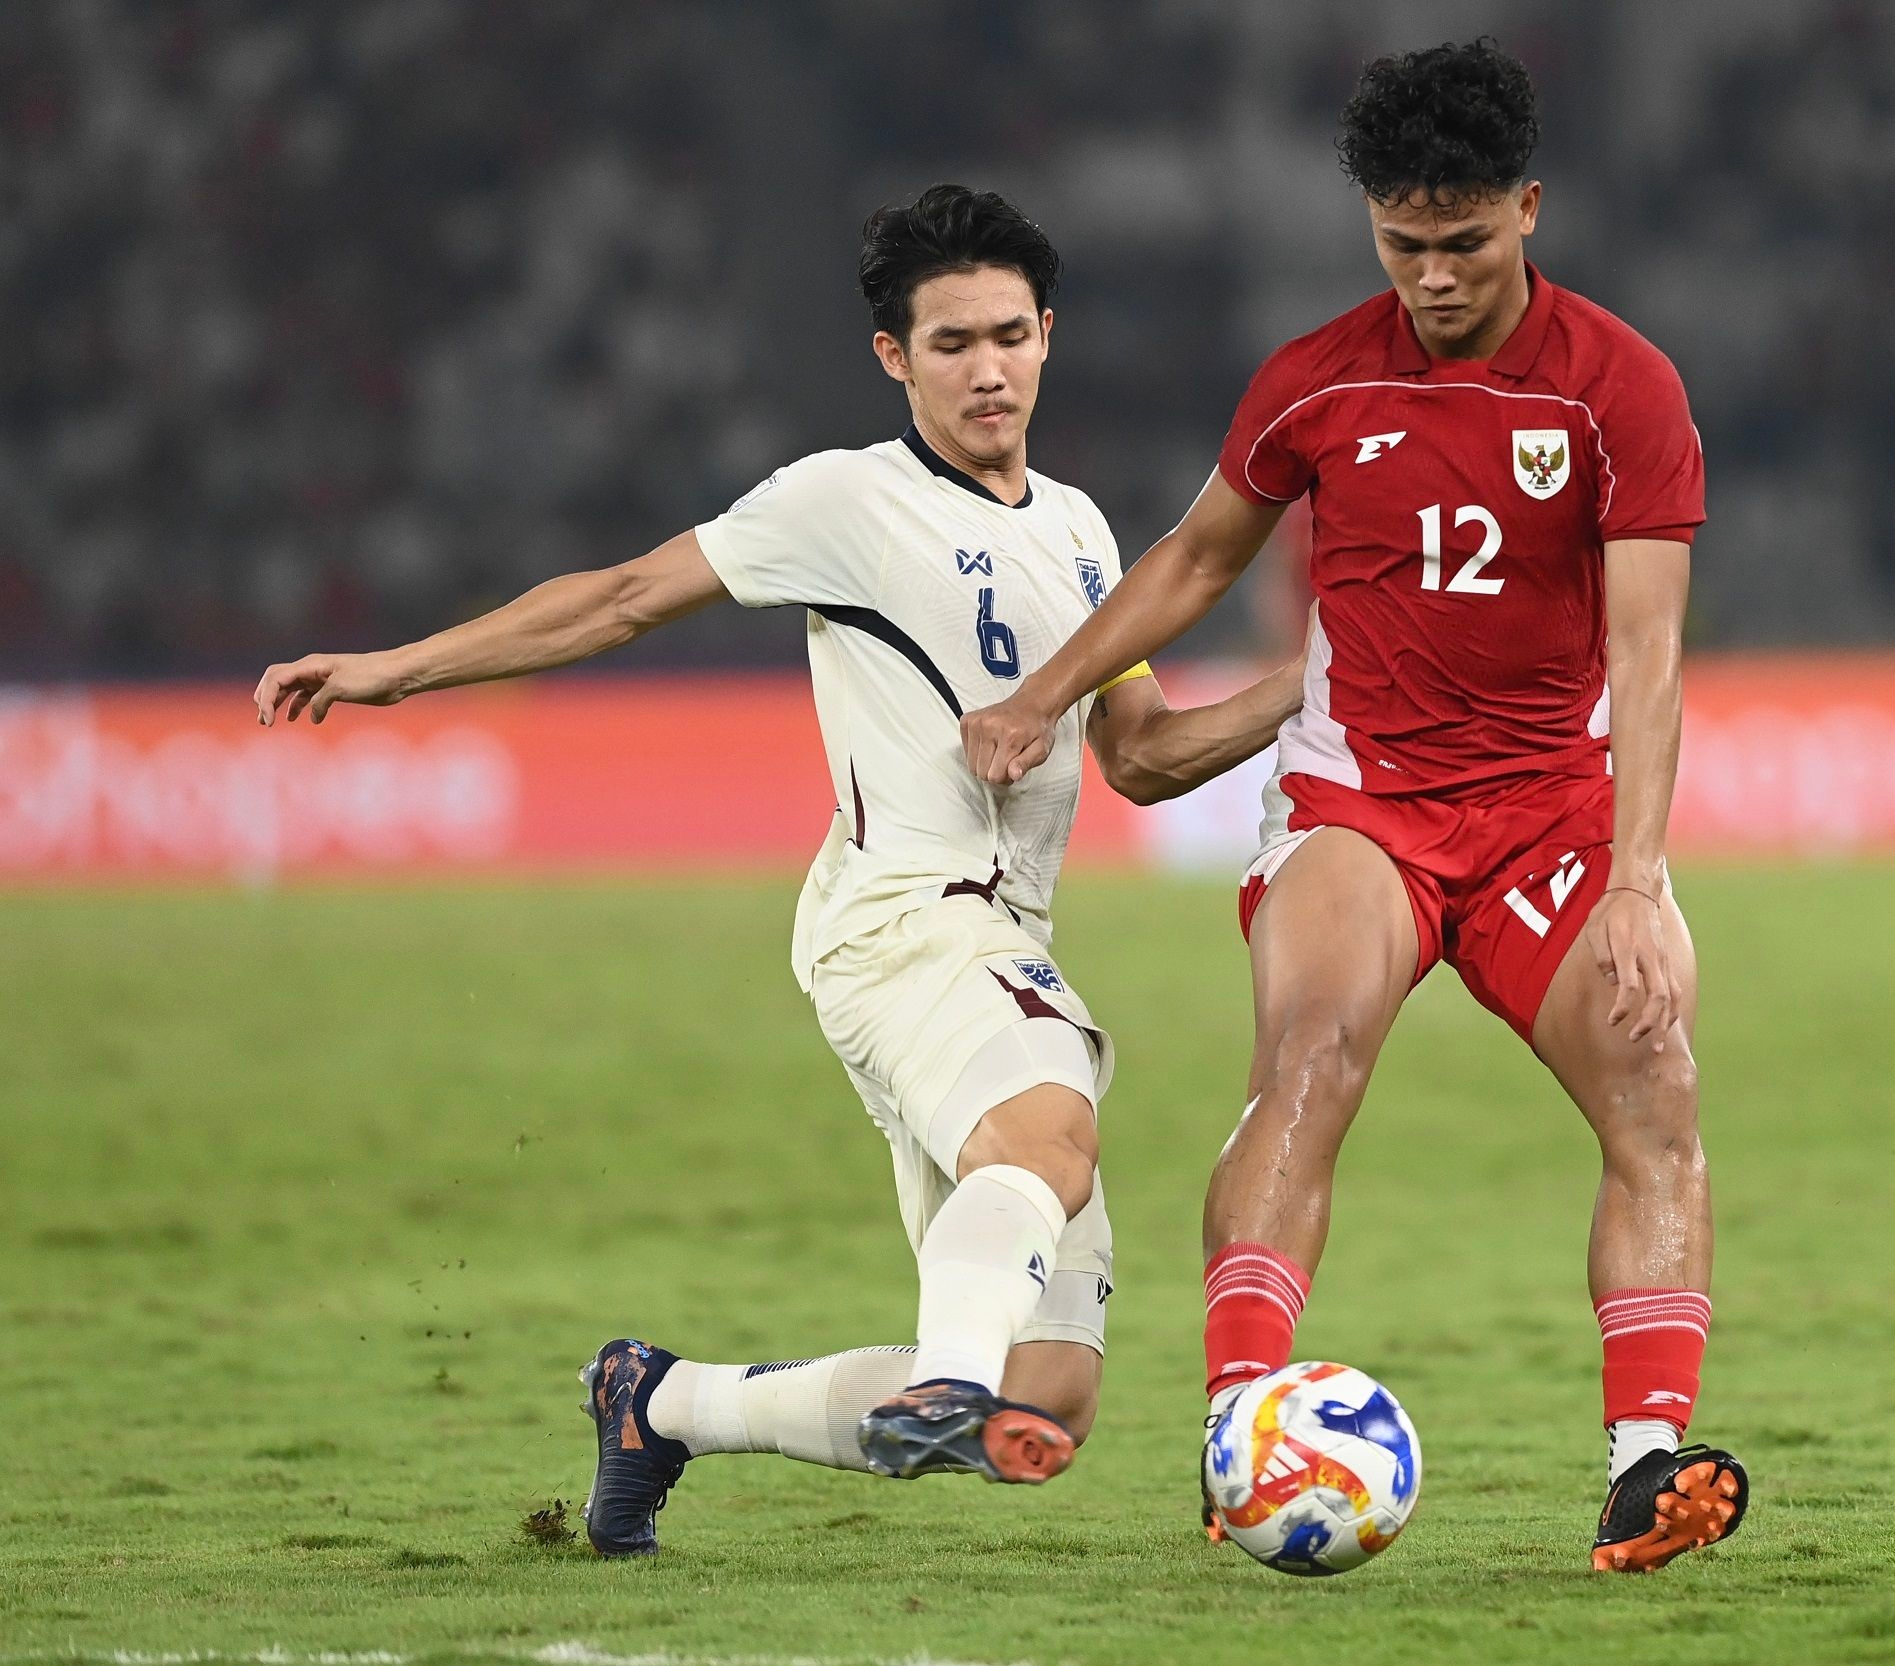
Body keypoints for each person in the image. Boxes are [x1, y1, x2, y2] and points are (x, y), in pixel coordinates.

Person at [252, 185, 1303, 1557]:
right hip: (906, 920)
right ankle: (945, 1374)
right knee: (1049, 1134)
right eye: (951, 344)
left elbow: (1147, 754)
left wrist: (1314, 679)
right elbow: (624, 595)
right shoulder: (845, 500)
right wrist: (398, 669)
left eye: (1009, 335)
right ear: (893, 356)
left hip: (1000, 940)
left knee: (1048, 1397)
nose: (987, 369)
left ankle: (662, 1403)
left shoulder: (1084, 533)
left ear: (1049, 334)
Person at [960, 42, 1746, 1573]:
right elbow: (1198, 558)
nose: (1435, 275)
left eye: (1466, 241)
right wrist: (1046, 693)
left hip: (1552, 813)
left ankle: (1644, 1466)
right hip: (1363, 797)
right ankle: (1240, 1430)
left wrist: (1639, 880)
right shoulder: (1319, 379)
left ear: (1529, 208)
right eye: (1404, 243)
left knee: (1656, 1080)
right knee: (1309, 1053)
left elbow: (1650, 649)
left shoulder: (1620, 388)